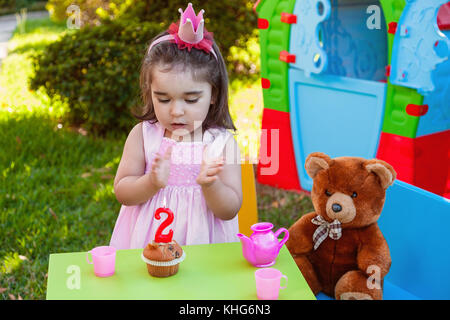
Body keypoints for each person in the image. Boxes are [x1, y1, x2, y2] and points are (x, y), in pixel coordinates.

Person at [110, 3, 242, 249]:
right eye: (163, 98)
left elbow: (230, 210)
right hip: (148, 246)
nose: (176, 111)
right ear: (150, 93)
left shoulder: (222, 144)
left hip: (204, 246)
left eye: (191, 100)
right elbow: (123, 192)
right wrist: (150, 182)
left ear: (213, 94)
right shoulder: (143, 136)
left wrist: (211, 185)